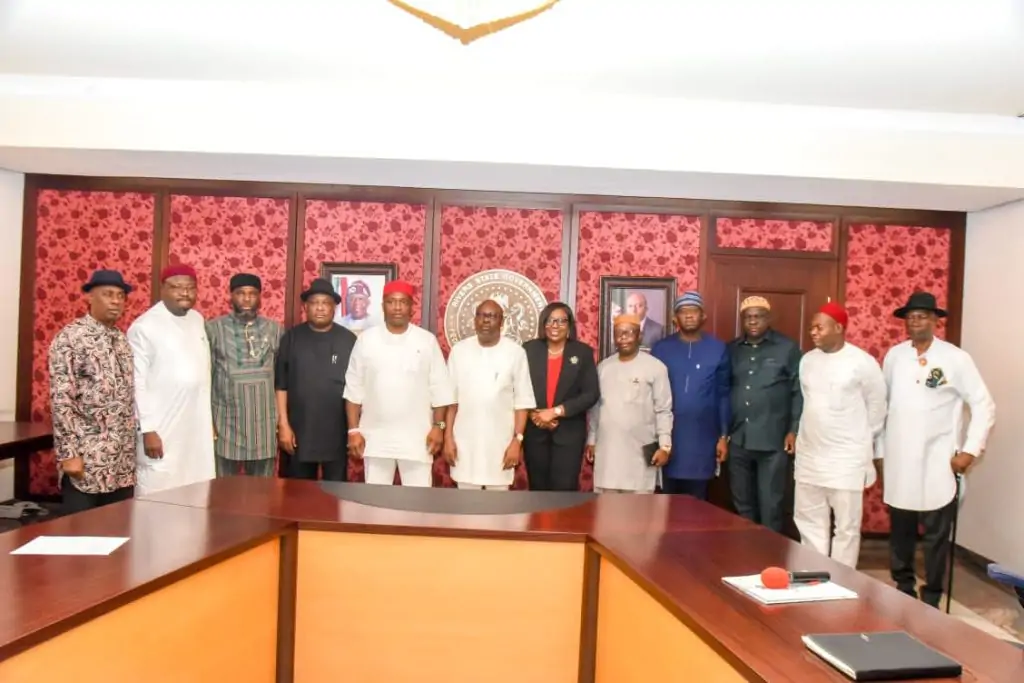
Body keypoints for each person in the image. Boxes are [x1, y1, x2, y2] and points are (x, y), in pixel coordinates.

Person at [880, 291, 995, 607]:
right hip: (900, 460)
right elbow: (883, 406)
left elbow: (983, 405)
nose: (915, 322)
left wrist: (970, 451)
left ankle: (931, 596)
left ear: (935, 321)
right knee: (901, 534)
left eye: (922, 316)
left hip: (938, 461)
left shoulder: (956, 359)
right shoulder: (894, 357)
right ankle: (903, 588)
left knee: (935, 536)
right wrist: (879, 452)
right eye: (910, 317)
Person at [793, 302, 887, 567]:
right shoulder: (808, 360)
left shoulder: (862, 363)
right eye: (812, 327)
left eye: (819, 327)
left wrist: (858, 438)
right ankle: (812, 573)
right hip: (810, 454)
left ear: (838, 327)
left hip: (846, 457)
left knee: (846, 526)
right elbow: (807, 401)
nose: (813, 332)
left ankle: (842, 578)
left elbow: (877, 407)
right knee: (808, 519)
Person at [344, 280, 453, 487]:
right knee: (375, 501)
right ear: (382, 306)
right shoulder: (366, 340)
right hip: (375, 439)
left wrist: (438, 427)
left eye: (403, 302)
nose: (397, 307)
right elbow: (353, 388)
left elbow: (440, 389)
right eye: (391, 302)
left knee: (418, 502)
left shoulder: (426, 341)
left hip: (418, 440)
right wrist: (353, 430)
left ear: (412, 308)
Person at [48, 270, 137, 513]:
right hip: (87, 459)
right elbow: (61, 400)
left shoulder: (121, 339)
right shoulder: (71, 338)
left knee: (118, 528)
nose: (116, 301)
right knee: (82, 530)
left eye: (120, 296)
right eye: (108, 294)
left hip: (121, 461)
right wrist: (69, 454)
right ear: (89, 297)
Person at [128, 264, 215, 495]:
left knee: (196, 485)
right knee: (159, 487)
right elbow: (137, 382)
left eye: (190, 287)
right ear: (163, 289)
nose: (185, 293)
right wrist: (147, 429)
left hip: (195, 424)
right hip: (162, 428)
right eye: (177, 287)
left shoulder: (197, 319)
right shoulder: (144, 327)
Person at [727, 295, 803, 533]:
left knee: (771, 504)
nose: (753, 321)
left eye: (758, 316)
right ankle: (745, 550)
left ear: (768, 318)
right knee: (742, 504)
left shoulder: (787, 348)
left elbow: (798, 391)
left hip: (773, 439)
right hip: (738, 438)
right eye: (748, 317)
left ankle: (770, 552)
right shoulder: (732, 349)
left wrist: (794, 430)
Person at [443, 300, 535, 490]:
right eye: (481, 315)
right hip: (464, 445)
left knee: (498, 506)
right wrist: (448, 438)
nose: (485, 320)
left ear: (502, 322)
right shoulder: (459, 351)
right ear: (474, 320)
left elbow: (522, 403)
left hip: (500, 446)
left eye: (492, 316)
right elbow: (451, 402)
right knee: (466, 505)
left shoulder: (515, 353)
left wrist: (517, 441)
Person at [275, 278, 356, 481]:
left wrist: (354, 429)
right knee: (297, 495)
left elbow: (357, 388)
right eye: (314, 303)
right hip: (298, 433)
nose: (320, 308)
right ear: (306, 307)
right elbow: (281, 385)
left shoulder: (348, 340)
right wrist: (283, 425)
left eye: (325, 303)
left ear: (334, 308)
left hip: (336, 435)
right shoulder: (291, 338)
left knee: (335, 495)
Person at [652, 291, 730, 500]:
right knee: (665, 503)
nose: (688, 316)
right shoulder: (661, 349)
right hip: (669, 438)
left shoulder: (717, 348)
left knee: (697, 503)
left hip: (703, 440)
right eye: (683, 312)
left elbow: (723, 394)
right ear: (675, 318)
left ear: (703, 316)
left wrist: (723, 436)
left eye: (693, 311)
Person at [207, 273, 283, 477]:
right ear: (231, 296)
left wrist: (282, 421)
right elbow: (206, 377)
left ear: (260, 297)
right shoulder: (213, 329)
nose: (247, 299)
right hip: (225, 423)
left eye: (252, 293)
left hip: (264, 425)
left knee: (262, 490)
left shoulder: (275, 330)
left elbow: (282, 380)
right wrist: (208, 421)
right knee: (223, 488)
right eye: (241, 293)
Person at [586, 314, 672, 493]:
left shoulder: (656, 367)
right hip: (608, 454)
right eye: (618, 333)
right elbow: (595, 408)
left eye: (629, 332)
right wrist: (592, 440)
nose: (623, 338)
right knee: (606, 508)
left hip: (640, 453)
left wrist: (665, 446)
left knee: (639, 508)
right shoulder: (603, 368)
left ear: (640, 336)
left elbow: (663, 410)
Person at [522, 302, 600, 491]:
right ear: (543, 324)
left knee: (564, 490)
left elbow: (591, 393)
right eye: (550, 321)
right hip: (535, 432)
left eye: (561, 321)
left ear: (569, 325)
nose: (555, 326)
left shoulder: (582, 352)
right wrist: (535, 415)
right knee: (537, 491)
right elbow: (517, 388)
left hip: (569, 434)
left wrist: (556, 412)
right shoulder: (529, 350)